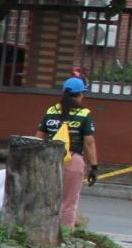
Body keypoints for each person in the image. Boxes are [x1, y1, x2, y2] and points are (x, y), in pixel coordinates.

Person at [35, 76, 99, 228]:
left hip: (49, 160)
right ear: (80, 94)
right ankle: (65, 233)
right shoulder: (84, 114)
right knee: (69, 201)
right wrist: (94, 167)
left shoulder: (51, 111)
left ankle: (42, 229)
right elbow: (89, 143)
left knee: (47, 198)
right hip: (73, 160)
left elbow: (37, 138)